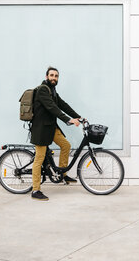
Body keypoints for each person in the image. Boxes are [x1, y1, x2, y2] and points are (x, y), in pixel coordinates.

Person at [30, 67, 82, 201]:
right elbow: (52, 108)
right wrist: (68, 120)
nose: (54, 78)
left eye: (56, 76)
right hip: (41, 129)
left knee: (66, 145)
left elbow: (63, 105)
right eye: (52, 75)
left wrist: (79, 117)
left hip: (51, 127)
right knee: (39, 158)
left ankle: (62, 174)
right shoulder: (43, 89)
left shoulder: (52, 90)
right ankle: (35, 190)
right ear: (47, 76)